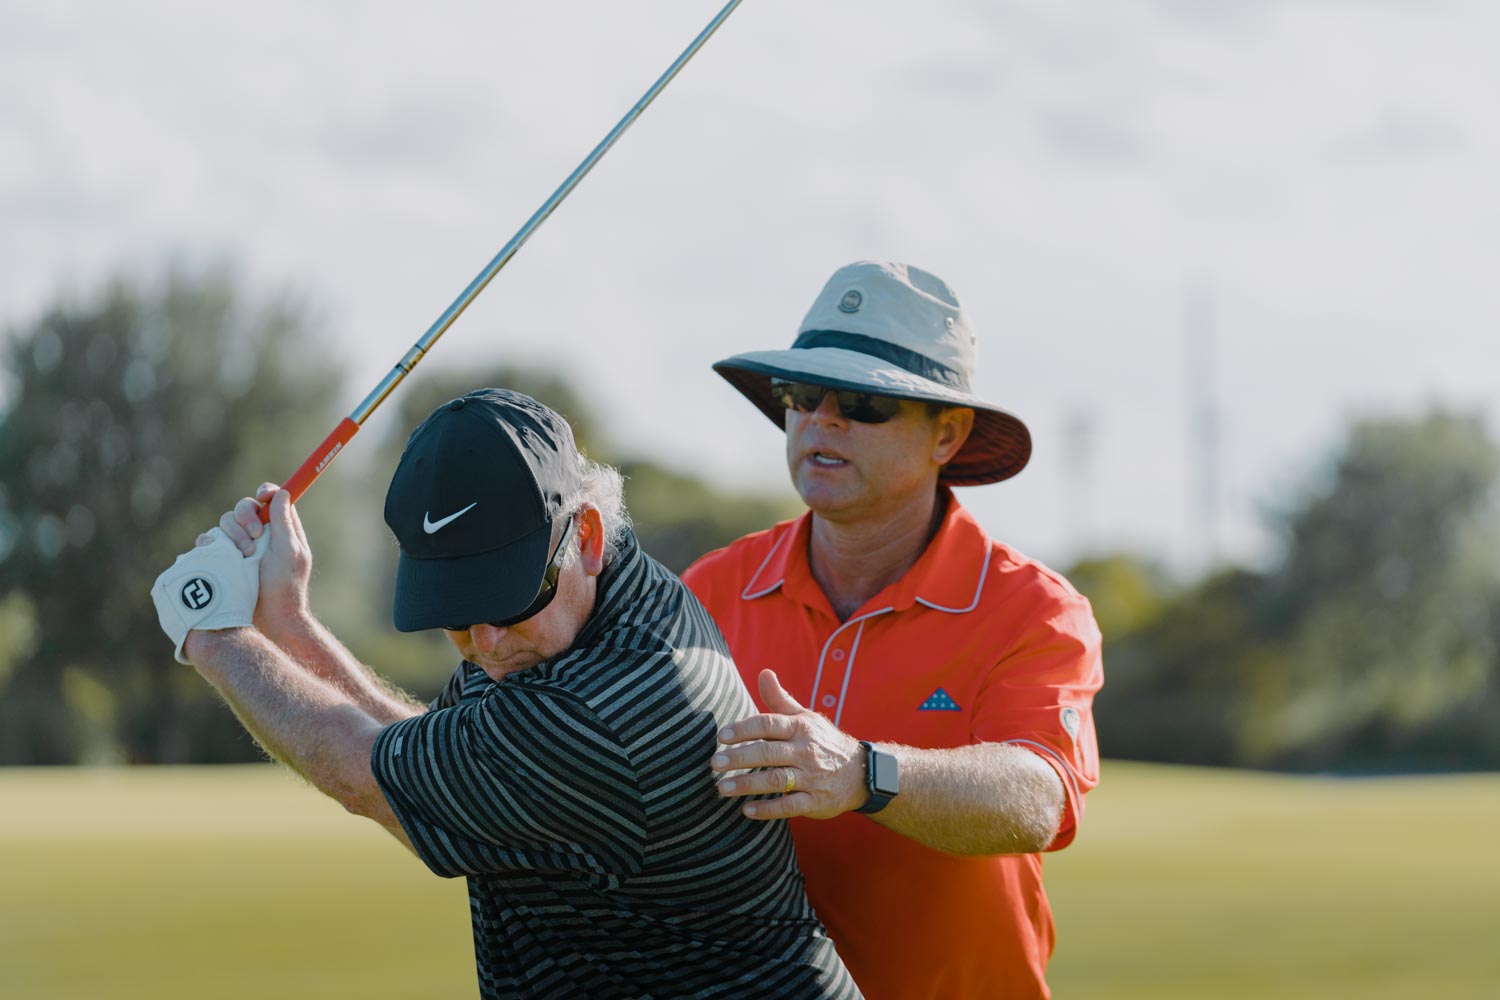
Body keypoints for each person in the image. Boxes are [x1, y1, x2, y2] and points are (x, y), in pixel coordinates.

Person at [151, 388, 860, 1000]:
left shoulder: (609, 711)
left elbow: (364, 776)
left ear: (583, 535)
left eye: (507, 599)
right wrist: (287, 624)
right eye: (456, 614)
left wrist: (212, 632)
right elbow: (433, 771)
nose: (486, 642)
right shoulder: (606, 604)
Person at [681, 261, 1104, 999]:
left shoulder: (1034, 608)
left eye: (866, 404)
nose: (824, 419)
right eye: (803, 395)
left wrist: (861, 773)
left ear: (948, 435)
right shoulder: (710, 588)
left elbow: (1038, 798)